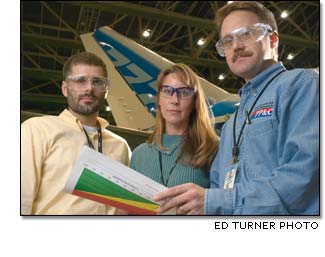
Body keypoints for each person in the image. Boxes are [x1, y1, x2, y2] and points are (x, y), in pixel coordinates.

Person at [154, 1, 319, 215]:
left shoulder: (302, 85)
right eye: (227, 40)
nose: (236, 46)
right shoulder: (235, 120)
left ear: (273, 39)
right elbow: (218, 184)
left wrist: (214, 202)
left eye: (246, 34)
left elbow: (303, 176)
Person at [21, 52, 131, 215]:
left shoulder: (121, 146)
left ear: (106, 89)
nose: (89, 88)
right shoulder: (37, 129)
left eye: (97, 82)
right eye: (80, 81)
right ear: (65, 89)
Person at [122, 64, 218, 215]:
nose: (175, 100)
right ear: (159, 99)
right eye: (167, 91)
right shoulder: (139, 154)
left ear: (194, 102)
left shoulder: (212, 148)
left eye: (184, 92)